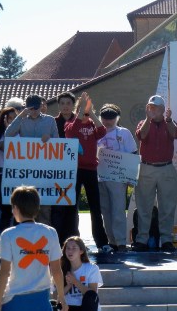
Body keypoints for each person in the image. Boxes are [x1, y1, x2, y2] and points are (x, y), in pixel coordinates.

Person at [0, 185, 68, 311]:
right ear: (37, 208)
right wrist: (61, 296)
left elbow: (4, 272)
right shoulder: (50, 232)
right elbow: (56, 270)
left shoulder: (8, 234)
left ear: (15, 208)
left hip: (14, 300)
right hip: (42, 301)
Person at [133, 95, 177, 252]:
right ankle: (142, 239)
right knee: (144, 206)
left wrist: (168, 120)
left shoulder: (170, 122)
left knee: (167, 207)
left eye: (155, 107)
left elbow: (175, 134)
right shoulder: (143, 122)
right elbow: (142, 135)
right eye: (150, 106)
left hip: (166, 168)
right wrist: (148, 118)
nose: (151, 109)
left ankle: (166, 239)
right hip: (147, 168)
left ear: (162, 109)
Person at [64, 92, 109, 251]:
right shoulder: (71, 123)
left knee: (95, 208)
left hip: (91, 170)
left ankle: (102, 242)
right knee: (72, 207)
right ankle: (73, 241)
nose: (85, 113)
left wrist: (92, 114)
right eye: (82, 110)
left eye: (87, 110)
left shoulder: (92, 124)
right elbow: (70, 132)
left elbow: (102, 131)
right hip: (75, 170)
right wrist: (80, 111)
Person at [6, 94, 59, 225]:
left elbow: (59, 143)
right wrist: (20, 116)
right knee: (26, 204)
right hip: (27, 169)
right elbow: (8, 134)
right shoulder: (22, 120)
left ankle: (45, 239)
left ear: (41, 106)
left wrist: (50, 140)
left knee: (45, 207)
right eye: (31, 108)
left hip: (45, 169)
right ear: (27, 108)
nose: (34, 111)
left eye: (36, 107)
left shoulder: (50, 120)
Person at [97, 104, 137, 251]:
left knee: (118, 210)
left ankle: (121, 242)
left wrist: (131, 177)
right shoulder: (96, 131)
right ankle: (111, 241)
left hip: (118, 178)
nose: (107, 121)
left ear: (117, 118)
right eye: (104, 118)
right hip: (100, 177)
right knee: (105, 210)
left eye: (111, 118)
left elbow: (133, 153)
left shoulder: (124, 133)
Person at [52, 91, 80, 245]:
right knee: (58, 206)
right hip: (56, 170)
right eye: (62, 103)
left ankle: (73, 240)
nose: (65, 106)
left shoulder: (81, 121)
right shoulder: (52, 123)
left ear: (73, 105)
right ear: (58, 105)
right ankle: (56, 240)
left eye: (68, 103)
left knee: (72, 206)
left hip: (76, 169)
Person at [0, 107, 18, 233]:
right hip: (3, 176)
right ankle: (3, 240)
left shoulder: (22, 133)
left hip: (19, 176)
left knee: (20, 209)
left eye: (15, 118)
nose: (13, 121)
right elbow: (7, 148)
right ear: (4, 120)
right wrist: (9, 130)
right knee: (7, 210)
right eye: (10, 118)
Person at [60, 237, 102, 311]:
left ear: (81, 251)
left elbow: (92, 294)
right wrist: (69, 285)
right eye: (68, 248)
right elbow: (56, 298)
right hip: (68, 307)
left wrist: (75, 282)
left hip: (85, 307)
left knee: (91, 296)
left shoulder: (92, 268)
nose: (70, 251)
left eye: (74, 248)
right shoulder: (61, 270)